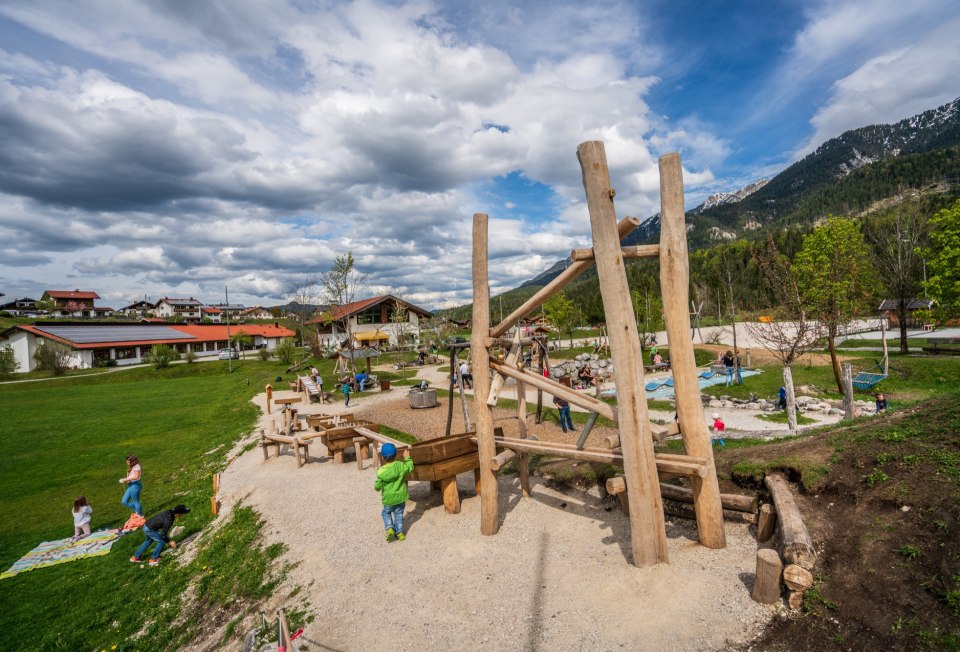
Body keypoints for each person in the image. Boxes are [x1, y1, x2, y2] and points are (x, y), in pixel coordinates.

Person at [375, 443, 414, 542]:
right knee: (399, 514)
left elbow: (377, 487)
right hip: (400, 498)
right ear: (396, 455)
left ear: (383, 458)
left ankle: (390, 528)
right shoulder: (400, 466)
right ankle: (400, 533)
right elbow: (410, 468)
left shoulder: (381, 472)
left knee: (386, 513)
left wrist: (378, 483)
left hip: (388, 499)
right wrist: (407, 458)